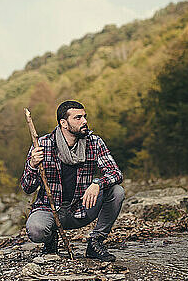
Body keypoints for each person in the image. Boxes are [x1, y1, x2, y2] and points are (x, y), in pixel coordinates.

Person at [21, 100, 125, 261]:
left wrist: (98, 183)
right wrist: (33, 165)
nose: (84, 121)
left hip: (82, 207)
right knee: (36, 230)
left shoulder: (94, 142)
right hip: (50, 209)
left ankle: (95, 243)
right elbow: (27, 187)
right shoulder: (42, 145)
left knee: (117, 191)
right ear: (64, 123)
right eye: (78, 118)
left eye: (84, 117)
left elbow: (116, 173)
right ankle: (50, 241)